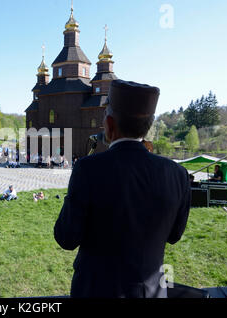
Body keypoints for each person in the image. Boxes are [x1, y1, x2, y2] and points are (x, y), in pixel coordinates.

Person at [54, 80, 191, 298]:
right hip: (151, 293)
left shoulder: (88, 169)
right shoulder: (177, 174)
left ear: (109, 123)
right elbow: (174, 235)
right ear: (149, 126)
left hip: (95, 292)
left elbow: (66, 238)